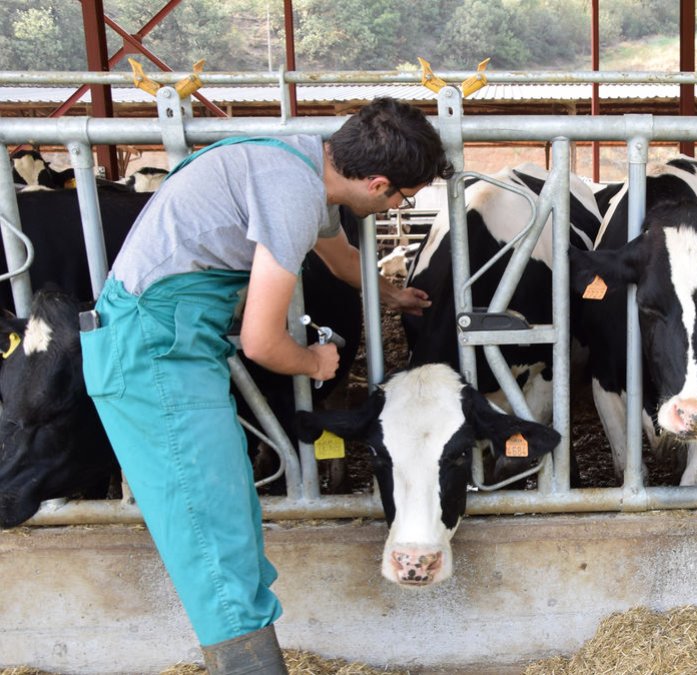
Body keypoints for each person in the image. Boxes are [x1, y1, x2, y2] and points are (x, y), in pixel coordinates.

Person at [80, 98, 453, 674]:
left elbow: (340, 257)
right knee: (212, 531)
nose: (397, 205)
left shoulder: (307, 162)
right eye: (402, 198)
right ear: (378, 184)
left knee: (227, 515)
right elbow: (259, 341)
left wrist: (394, 294)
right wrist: (313, 363)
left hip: (171, 345)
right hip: (152, 353)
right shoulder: (294, 193)